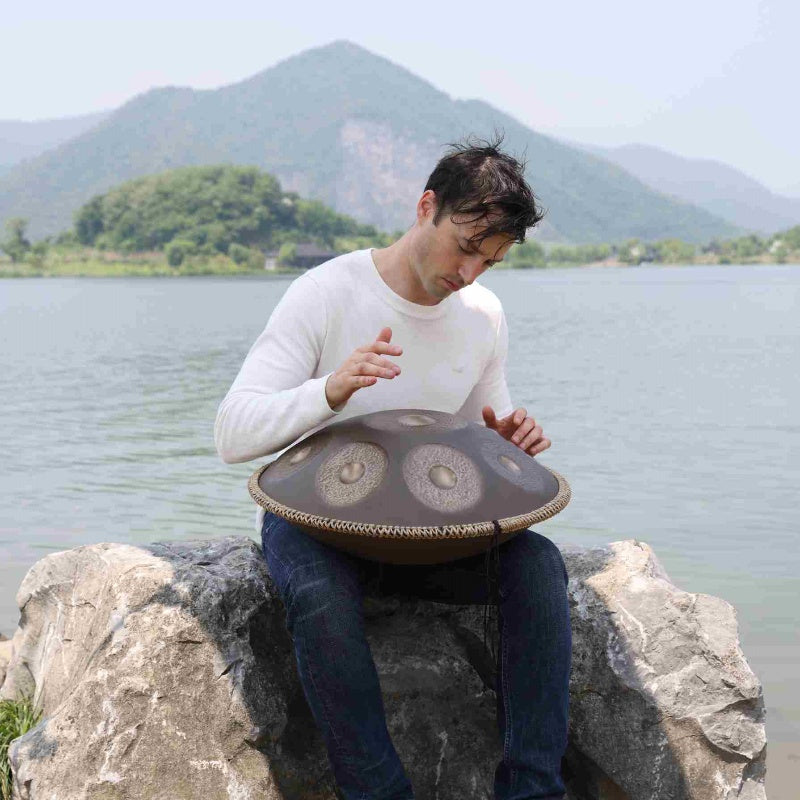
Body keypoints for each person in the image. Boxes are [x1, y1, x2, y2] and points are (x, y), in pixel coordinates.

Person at [214, 136, 572, 800]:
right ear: (426, 207)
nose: (471, 274)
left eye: (490, 261)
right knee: (319, 596)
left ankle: (532, 789)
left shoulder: (482, 315)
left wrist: (510, 443)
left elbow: (481, 430)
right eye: (466, 247)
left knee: (537, 564)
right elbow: (232, 432)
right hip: (322, 528)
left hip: (435, 536)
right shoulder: (325, 293)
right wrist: (331, 390)